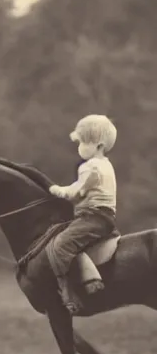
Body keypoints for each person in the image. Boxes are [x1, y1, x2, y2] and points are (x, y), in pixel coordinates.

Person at [46, 114, 118, 314]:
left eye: (84, 142)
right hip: (105, 217)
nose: (80, 147)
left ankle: (69, 293)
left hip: (92, 217)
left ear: (99, 146)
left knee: (60, 245)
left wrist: (56, 190)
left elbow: (76, 192)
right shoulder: (106, 165)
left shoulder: (90, 167)